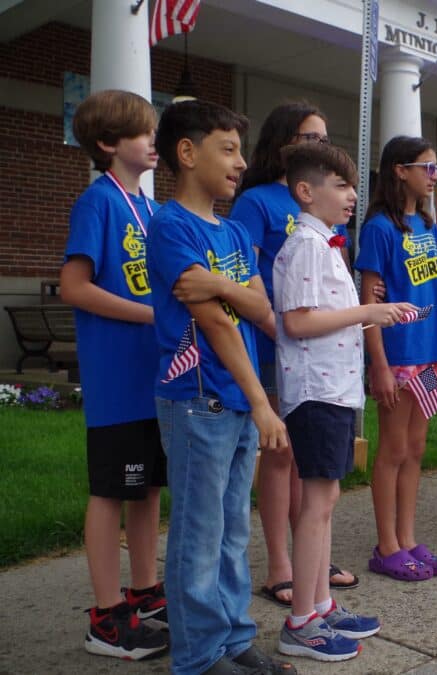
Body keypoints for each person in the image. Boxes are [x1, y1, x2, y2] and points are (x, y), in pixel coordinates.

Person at [147, 100, 292, 675]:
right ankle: (199, 656)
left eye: (239, 151)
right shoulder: (170, 225)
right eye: (226, 149)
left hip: (232, 402)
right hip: (198, 400)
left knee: (233, 531)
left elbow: (259, 305)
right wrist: (262, 402)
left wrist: (219, 284)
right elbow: (215, 321)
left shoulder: (233, 231)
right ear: (187, 153)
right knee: (199, 537)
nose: (239, 163)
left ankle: (233, 639)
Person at [273, 143, 406, 661]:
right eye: (341, 185)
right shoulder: (306, 244)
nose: (353, 195)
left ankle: (321, 604)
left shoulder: (325, 244)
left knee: (325, 501)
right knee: (317, 503)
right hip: (316, 390)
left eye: (352, 185)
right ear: (307, 192)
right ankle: (301, 621)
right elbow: (299, 320)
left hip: (334, 387)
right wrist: (368, 315)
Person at [230, 100, 358, 608]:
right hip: (272, 344)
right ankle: (281, 564)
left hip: (317, 348)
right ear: (284, 141)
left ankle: (312, 564)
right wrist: (275, 325)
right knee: (280, 455)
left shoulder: (323, 215)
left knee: (310, 465)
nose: (320, 147)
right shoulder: (258, 202)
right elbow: (244, 272)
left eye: (325, 139)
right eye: (311, 139)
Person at [60, 90, 169, 661]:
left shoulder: (150, 209)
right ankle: (105, 616)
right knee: (111, 491)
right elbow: (74, 286)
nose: (154, 141)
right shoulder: (97, 202)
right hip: (116, 381)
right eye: (142, 133)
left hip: (155, 378)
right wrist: (153, 312)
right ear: (107, 144)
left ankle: (145, 589)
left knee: (147, 488)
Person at [356, 136, 437, 579]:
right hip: (397, 353)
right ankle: (387, 545)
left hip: (429, 350)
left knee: (415, 447)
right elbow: (368, 299)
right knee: (393, 448)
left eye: (436, 170)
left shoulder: (428, 226)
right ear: (399, 170)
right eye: (427, 169)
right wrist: (377, 363)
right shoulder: (379, 227)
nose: (434, 178)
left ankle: (409, 538)